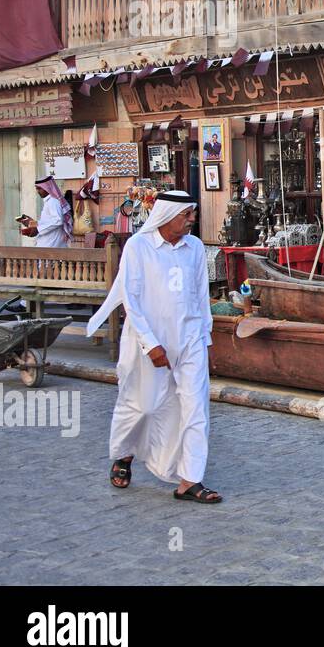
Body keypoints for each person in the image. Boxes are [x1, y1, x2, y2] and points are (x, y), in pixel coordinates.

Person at [86, 191, 221, 503]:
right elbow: (131, 301)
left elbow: (201, 296)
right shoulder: (138, 247)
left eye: (192, 214)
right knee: (144, 406)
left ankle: (190, 480)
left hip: (190, 340)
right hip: (148, 343)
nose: (192, 220)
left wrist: (205, 338)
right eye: (186, 214)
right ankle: (125, 454)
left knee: (195, 409)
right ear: (166, 215)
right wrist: (151, 344)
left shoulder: (195, 247)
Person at [19, 175, 72, 248]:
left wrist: (38, 229)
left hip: (52, 242)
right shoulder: (49, 201)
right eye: (37, 189)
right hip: (47, 241)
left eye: (40, 189)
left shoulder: (53, 201)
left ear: (47, 188)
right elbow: (48, 221)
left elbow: (58, 220)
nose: (38, 191)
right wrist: (31, 222)